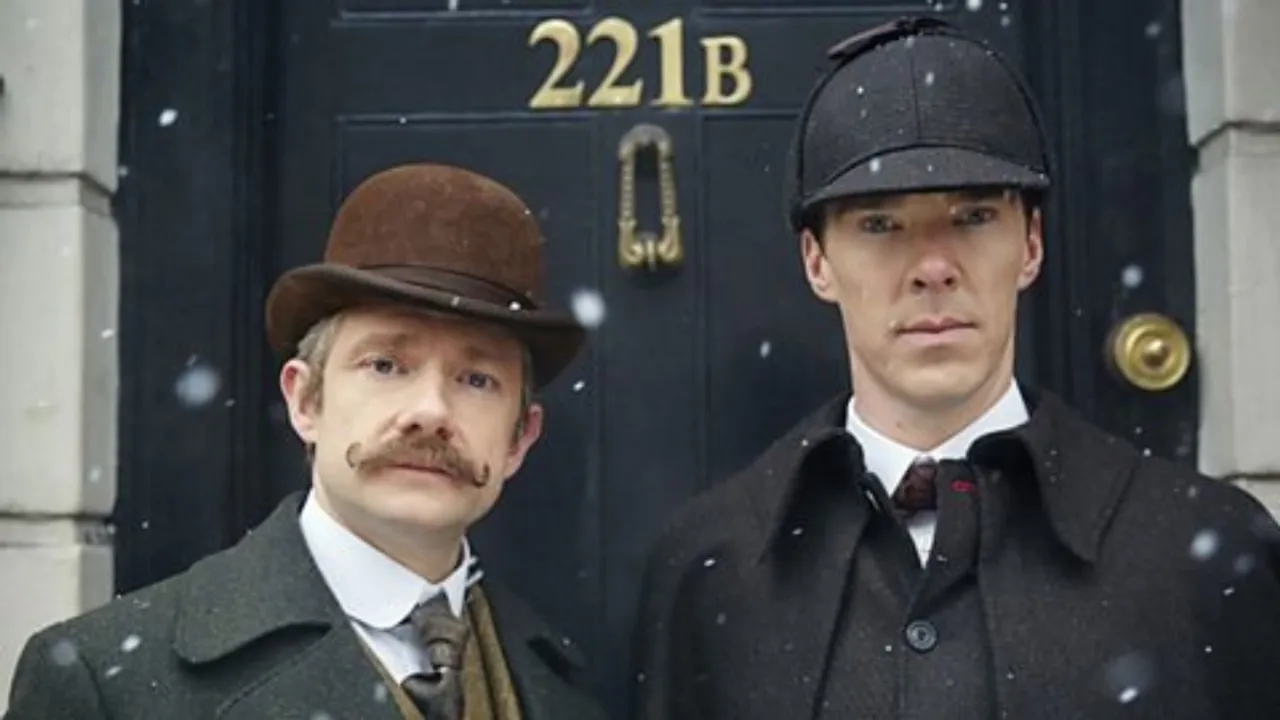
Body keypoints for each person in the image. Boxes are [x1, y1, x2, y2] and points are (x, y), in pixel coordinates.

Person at [629, 17, 1280, 720]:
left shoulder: (1200, 555)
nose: (933, 267)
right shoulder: (711, 570)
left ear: (1031, 244)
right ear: (817, 261)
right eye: (880, 223)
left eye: (972, 217)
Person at [7, 163, 609, 720]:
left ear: (519, 438)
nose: (430, 413)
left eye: (476, 380)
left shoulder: (565, 691)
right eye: (385, 365)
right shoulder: (108, 685)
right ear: (305, 401)